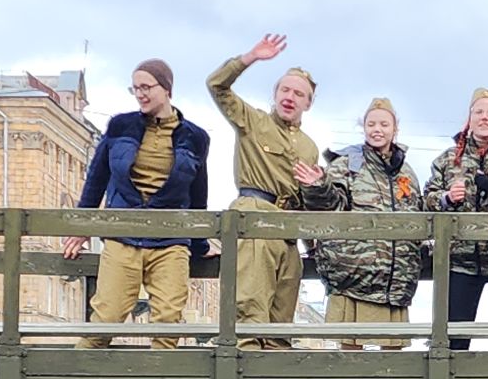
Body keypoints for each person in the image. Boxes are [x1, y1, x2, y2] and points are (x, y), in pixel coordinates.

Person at [63, 58, 210, 349]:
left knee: (168, 323)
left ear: (166, 89)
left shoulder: (195, 137)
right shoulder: (121, 126)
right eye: (135, 88)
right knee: (105, 320)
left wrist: (200, 244)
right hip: (123, 236)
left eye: (147, 87)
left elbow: (198, 196)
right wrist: (81, 227)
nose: (140, 93)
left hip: (170, 241)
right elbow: (97, 178)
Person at [207, 34, 324, 350]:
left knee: (279, 326)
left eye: (299, 94)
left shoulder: (309, 147)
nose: (290, 97)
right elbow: (216, 86)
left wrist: (311, 243)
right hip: (256, 219)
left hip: (289, 233)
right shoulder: (253, 121)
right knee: (249, 312)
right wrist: (249, 58)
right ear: (275, 94)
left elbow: (308, 203)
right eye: (284, 90)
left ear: (308, 103)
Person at [308, 98, 425, 350]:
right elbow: (332, 207)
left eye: (384, 123)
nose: (377, 129)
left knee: (392, 364)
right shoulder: (346, 165)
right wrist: (319, 186)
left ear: (395, 129)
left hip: (395, 281)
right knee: (349, 358)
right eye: (371, 123)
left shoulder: (408, 173)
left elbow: (418, 215)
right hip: (353, 276)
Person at [421, 89, 488, 351]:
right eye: (479, 111)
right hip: (461, 259)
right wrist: (446, 198)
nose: (485, 117)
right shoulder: (447, 159)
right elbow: (426, 199)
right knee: (453, 338)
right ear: (470, 117)